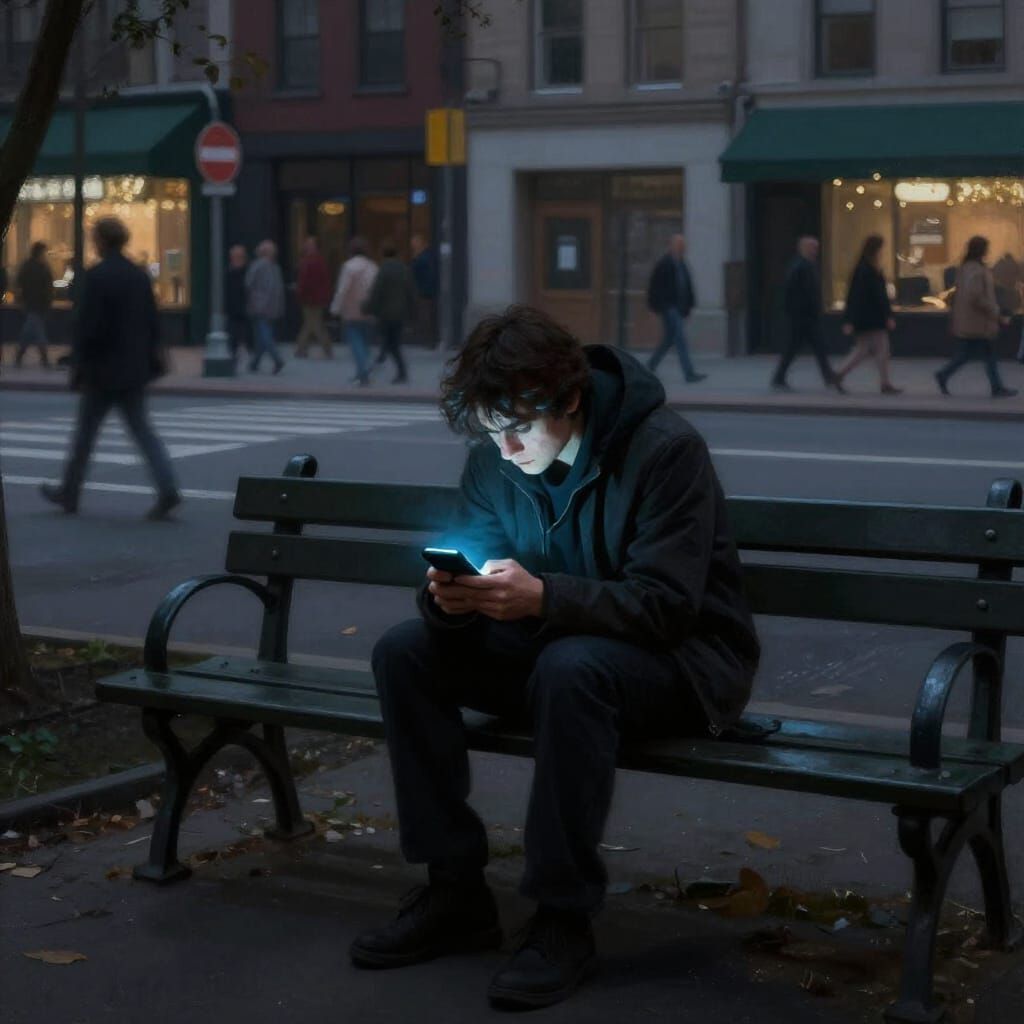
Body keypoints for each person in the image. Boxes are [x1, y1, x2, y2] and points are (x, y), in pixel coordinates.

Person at [350, 305, 760, 1009]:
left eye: (517, 429)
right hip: (553, 646)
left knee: (574, 668)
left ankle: (562, 919)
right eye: (489, 431)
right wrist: (451, 603)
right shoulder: (493, 454)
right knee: (405, 652)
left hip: (683, 664)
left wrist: (544, 600)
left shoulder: (664, 450)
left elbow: (666, 606)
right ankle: (455, 891)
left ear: (568, 398)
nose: (504, 450)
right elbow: (483, 568)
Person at [39, 217, 181, 520]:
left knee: (85, 435)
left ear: (101, 241)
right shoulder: (138, 276)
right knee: (142, 432)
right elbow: (153, 322)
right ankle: (167, 487)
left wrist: (78, 362)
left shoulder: (98, 276)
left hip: (102, 369)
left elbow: (89, 327)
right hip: (133, 368)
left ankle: (70, 491)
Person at [936, 235, 1018, 399]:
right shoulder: (976, 270)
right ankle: (996, 387)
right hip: (978, 321)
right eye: (986, 248)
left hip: (970, 320)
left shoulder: (966, 268)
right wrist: (995, 311)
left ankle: (945, 375)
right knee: (984, 354)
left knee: (969, 355)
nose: (988, 251)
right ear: (981, 250)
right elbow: (976, 296)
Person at [771, 236, 842, 393]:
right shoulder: (799, 267)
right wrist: (798, 311)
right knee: (804, 348)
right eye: (813, 247)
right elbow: (792, 293)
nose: (816, 250)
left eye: (816, 247)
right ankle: (826, 376)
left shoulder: (807, 265)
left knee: (814, 348)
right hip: (803, 317)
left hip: (807, 316)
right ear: (803, 248)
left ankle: (826, 375)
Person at [834, 236, 901, 394]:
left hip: (866, 317)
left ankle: (839, 375)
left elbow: (853, 296)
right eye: (881, 248)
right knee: (880, 349)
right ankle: (884, 383)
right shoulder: (869, 270)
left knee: (863, 349)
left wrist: (850, 319)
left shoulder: (863, 268)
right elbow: (877, 296)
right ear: (876, 250)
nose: (882, 252)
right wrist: (888, 315)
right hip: (872, 317)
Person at [645, 234, 706, 383]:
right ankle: (689, 373)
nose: (682, 248)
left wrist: (690, 306)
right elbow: (654, 287)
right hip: (669, 307)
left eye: (683, 245)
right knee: (680, 339)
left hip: (679, 307)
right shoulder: (664, 264)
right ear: (672, 246)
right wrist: (654, 307)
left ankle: (650, 365)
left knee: (668, 340)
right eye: (679, 245)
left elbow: (688, 286)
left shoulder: (683, 264)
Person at [364, 240, 417, 384]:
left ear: (383, 254)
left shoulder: (383, 270)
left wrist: (368, 308)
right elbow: (410, 291)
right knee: (392, 342)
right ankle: (384, 361)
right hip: (400, 313)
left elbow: (377, 291)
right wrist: (412, 310)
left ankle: (383, 365)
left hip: (385, 313)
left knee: (391, 343)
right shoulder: (404, 269)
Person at [329, 236, 378, 387]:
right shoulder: (373, 267)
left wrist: (335, 307)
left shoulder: (349, 267)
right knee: (365, 342)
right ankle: (362, 372)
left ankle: (364, 369)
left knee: (355, 341)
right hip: (369, 311)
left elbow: (342, 290)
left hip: (351, 310)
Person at [245, 240, 285, 374]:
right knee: (261, 335)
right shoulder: (275, 267)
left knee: (263, 334)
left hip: (259, 305)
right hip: (272, 306)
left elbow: (248, 283)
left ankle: (276, 358)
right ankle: (254, 362)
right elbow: (279, 289)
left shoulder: (257, 265)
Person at [15, 241, 53, 369]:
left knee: (29, 331)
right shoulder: (35, 267)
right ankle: (44, 359)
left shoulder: (35, 266)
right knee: (37, 331)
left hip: (36, 304)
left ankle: (20, 356)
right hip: (34, 304)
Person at [294, 236, 333, 358]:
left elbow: (306, 281)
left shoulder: (311, 261)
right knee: (313, 323)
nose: (307, 246)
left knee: (312, 324)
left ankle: (304, 348)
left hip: (311, 297)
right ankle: (303, 348)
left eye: (309, 244)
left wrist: (300, 292)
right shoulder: (317, 260)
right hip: (315, 297)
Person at [410, 233, 439, 345]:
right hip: (423, 291)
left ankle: (428, 340)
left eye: (414, 242)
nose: (412, 245)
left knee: (425, 315)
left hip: (424, 292)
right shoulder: (422, 256)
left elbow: (425, 275)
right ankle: (426, 338)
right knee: (424, 315)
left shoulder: (424, 257)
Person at [225, 244, 251, 364]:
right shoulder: (229, 270)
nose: (236, 259)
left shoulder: (248, 271)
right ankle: (233, 354)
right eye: (235, 256)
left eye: (239, 256)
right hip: (233, 308)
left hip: (244, 307)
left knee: (243, 332)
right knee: (233, 334)